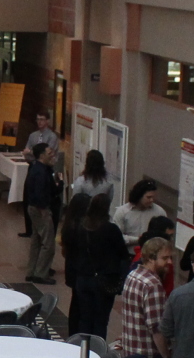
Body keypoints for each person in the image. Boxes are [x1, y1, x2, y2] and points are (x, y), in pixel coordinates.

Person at [73, 194, 128, 337]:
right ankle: (97, 351)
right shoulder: (110, 229)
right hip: (104, 280)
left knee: (85, 318)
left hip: (83, 278)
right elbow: (122, 253)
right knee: (100, 321)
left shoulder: (82, 227)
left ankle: (82, 349)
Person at [115, 236, 174, 358]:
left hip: (130, 351)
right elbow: (157, 328)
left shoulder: (133, 275)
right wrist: (165, 356)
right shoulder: (153, 284)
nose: (170, 262)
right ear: (151, 259)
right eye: (165, 258)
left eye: (170, 257)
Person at [22, 143, 60, 283]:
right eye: (49, 153)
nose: (52, 155)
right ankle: (41, 273)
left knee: (36, 241)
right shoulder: (41, 172)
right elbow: (41, 193)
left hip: (34, 208)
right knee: (48, 243)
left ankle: (32, 271)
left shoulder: (38, 168)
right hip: (41, 209)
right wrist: (44, 209)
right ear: (42, 155)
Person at [58, 193, 92, 331]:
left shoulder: (68, 224)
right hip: (81, 269)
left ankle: (73, 331)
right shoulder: (83, 228)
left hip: (72, 267)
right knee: (81, 305)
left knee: (75, 302)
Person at [111, 177, 167, 246]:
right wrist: (138, 240)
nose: (152, 200)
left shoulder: (159, 212)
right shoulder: (122, 212)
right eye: (148, 197)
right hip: (128, 252)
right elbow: (117, 236)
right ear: (139, 195)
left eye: (153, 197)